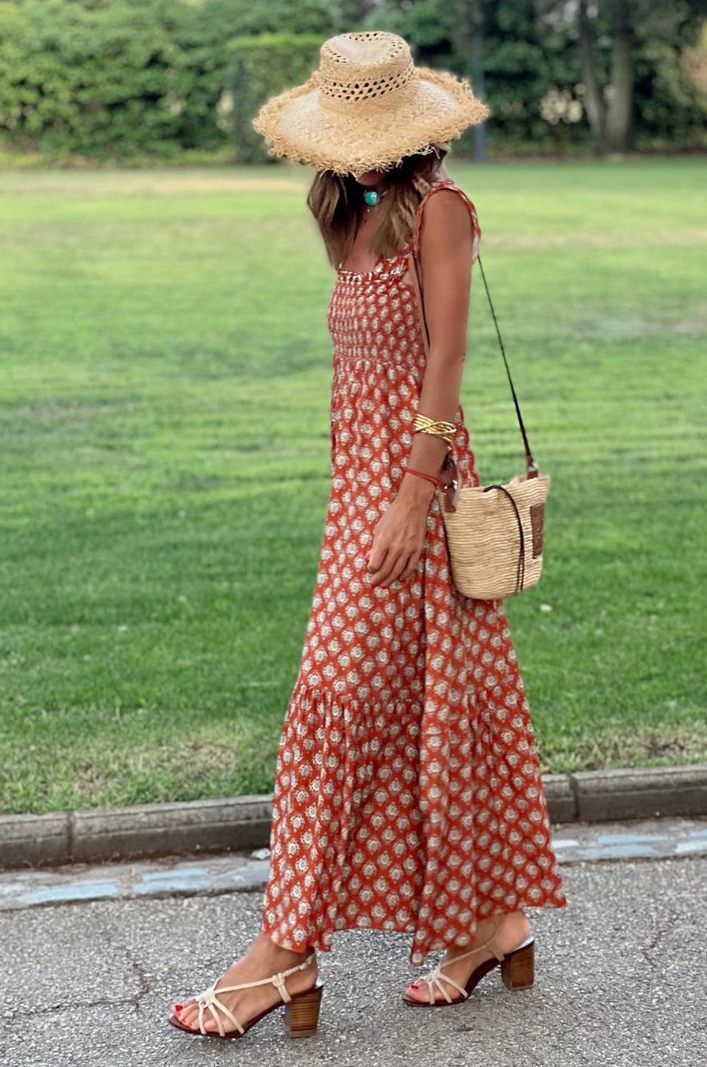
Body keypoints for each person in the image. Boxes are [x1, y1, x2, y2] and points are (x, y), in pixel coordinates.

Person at [168, 29, 567, 1041]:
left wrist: (406, 495)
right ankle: (492, 921)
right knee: (440, 707)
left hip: (415, 501)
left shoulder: (439, 211)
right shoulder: (351, 216)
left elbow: (444, 365)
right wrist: (359, 494)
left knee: (334, 704)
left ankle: (282, 951)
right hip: (357, 499)